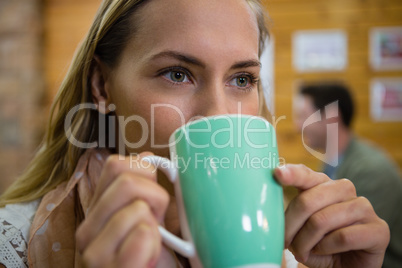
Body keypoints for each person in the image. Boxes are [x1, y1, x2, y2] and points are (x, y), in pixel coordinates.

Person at [0, 0, 390, 267]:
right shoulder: (14, 247)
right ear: (103, 86)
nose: (218, 115)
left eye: (242, 79)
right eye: (177, 74)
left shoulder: (283, 249)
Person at [294, 81, 402, 268]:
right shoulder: (332, 163)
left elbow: (343, 245)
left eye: (304, 116)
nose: (298, 127)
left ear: (332, 117)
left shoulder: (371, 171)